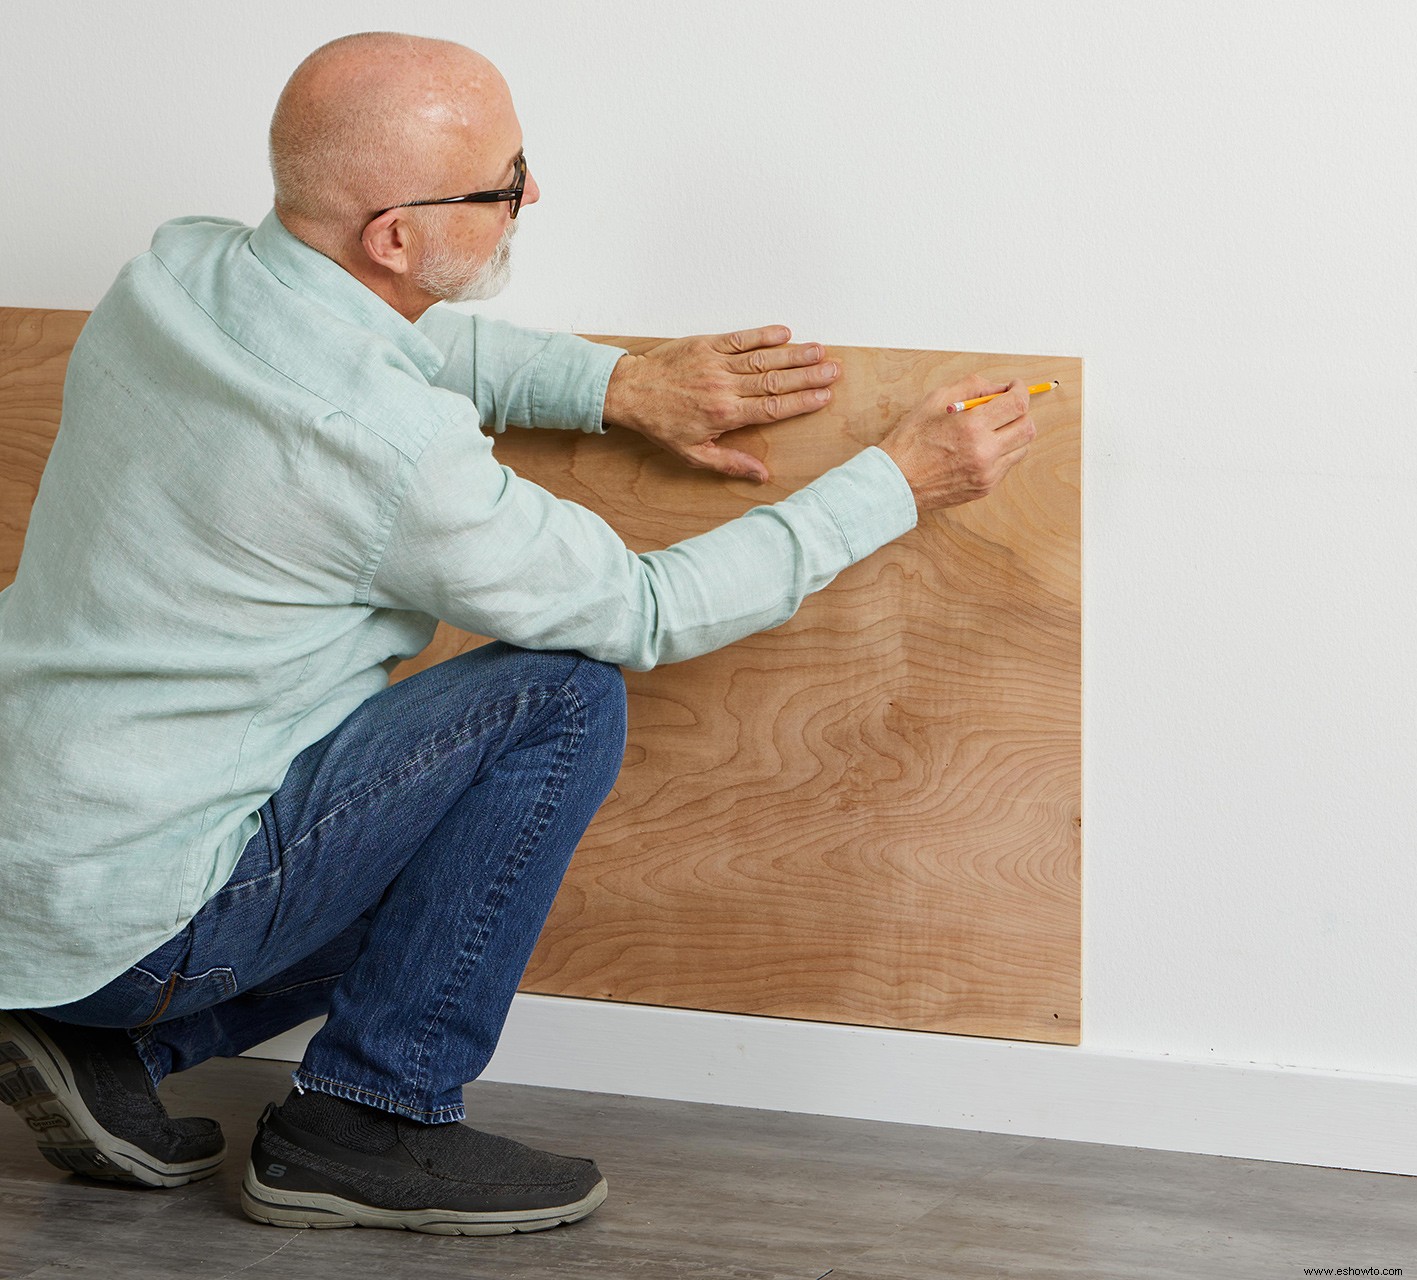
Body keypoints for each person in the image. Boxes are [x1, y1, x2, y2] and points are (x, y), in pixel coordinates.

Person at [0, 32, 1035, 1236]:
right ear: (393, 236)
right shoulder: (383, 448)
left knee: (400, 806)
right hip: (141, 921)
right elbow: (644, 607)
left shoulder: (178, 273)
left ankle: (100, 1037)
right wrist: (895, 483)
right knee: (555, 694)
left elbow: (388, 341)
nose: (528, 196)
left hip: (33, 876)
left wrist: (614, 387)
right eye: (503, 184)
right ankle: (366, 1121)